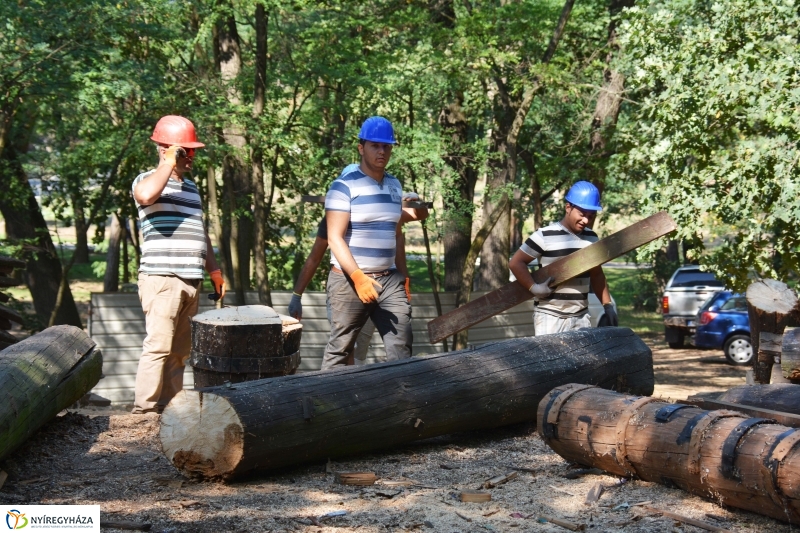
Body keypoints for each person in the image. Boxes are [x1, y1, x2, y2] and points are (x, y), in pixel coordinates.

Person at [130, 115, 225, 414]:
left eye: (192, 150)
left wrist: (214, 270)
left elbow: (200, 231)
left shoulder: (191, 188)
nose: (191, 157)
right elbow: (145, 196)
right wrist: (167, 164)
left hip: (191, 279)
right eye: (185, 151)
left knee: (179, 353)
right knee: (158, 346)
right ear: (165, 149)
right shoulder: (147, 181)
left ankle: (171, 411)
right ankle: (143, 412)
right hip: (162, 277)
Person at [288, 175, 428, 365]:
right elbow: (314, 258)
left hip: (383, 285)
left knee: (380, 347)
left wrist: (415, 201)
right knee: (345, 350)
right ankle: (341, 388)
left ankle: (368, 386)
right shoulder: (334, 218)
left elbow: (415, 219)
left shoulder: (382, 210)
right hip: (349, 288)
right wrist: (297, 295)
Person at [321, 116, 413, 369]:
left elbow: (396, 233)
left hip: (389, 280)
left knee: (401, 347)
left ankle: (404, 405)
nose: (382, 151)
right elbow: (334, 238)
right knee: (341, 350)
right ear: (361, 148)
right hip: (349, 282)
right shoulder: (343, 186)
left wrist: (403, 275)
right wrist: (358, 277)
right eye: (375, 145)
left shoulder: (394, 185)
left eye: (387, 146)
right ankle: (327, 404)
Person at [508, 181, 618, 335]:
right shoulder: (545, 235)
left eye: (591, 216)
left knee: (582, 360)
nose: (586, 220)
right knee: (551, 359)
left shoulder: (592, 238)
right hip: (550, 316)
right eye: (582, 214)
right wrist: (533, 287)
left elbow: (597, 274)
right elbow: (516, 262)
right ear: (568, 208)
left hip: (581, 316)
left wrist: (607, 305)